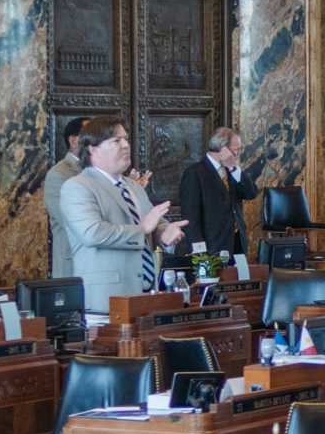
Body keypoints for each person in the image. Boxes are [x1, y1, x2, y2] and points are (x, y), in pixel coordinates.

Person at [60, 119, 187, 314]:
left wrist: (164, 233)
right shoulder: (78, 186)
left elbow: (152, 220)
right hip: (106, 300)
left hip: (144, 293)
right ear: (92, 149)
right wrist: (142, 230)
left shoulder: (132, 185)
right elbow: (92, 233)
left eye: (126, 139)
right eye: (116, 141)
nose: (126, 145)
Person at [174, 127, 248, 259]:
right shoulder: (194, 173)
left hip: (237, 245)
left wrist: (234, 169)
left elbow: (250, 193)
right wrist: (200, 253)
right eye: (236, 149)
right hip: (212, 248)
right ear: (222, 148)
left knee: (240, 280)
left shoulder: (231, 170)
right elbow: (191, 217)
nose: (238, 154)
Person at [43, 117, 88, 278]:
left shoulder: (101, 171)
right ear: (74, 140)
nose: (97, 142)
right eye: (90, 136)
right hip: (73, 263)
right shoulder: (59, 173)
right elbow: (67, 219)